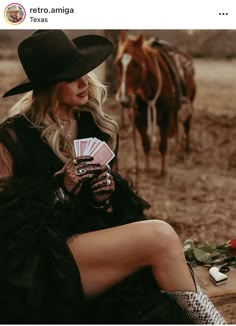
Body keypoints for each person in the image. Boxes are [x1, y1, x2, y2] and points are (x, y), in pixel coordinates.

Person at [0, 30, 225, 324]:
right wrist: (60, 191)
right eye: (72, 77)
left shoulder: (94, 125)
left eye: (84, 72)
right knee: (159, 236)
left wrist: (103, 195)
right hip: (39, 263)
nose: (84, 82)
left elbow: (111, 210)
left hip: (92, 250)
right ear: (48, 86)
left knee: (155, 262)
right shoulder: (13, 136)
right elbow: (7, 221)